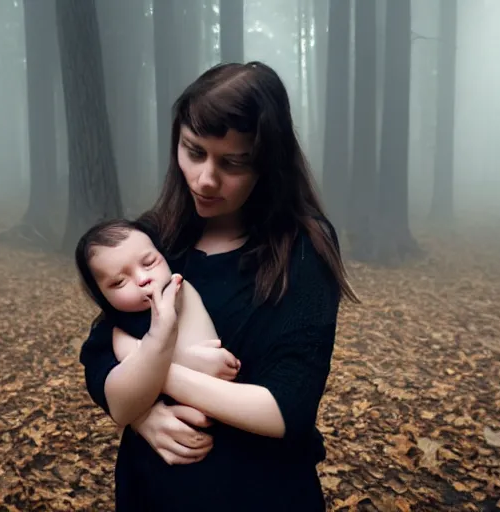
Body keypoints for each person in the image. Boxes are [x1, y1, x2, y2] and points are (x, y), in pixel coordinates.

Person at [79, 61, 359, 511]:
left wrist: (153, 371)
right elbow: (99, 353)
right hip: (150, 494)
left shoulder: (302, 249)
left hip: (259, 494)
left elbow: (285, 410)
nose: (206, 179)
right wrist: (142, 416)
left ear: (268, 164)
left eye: (232, 163)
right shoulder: (154, 240)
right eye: (193, 151)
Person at [74, 218, 240, 379]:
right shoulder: (114, 328)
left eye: (149, 262)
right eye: (119, 282)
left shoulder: (179, 290)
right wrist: (189, 360)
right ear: (101, 295)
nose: (143, 279)